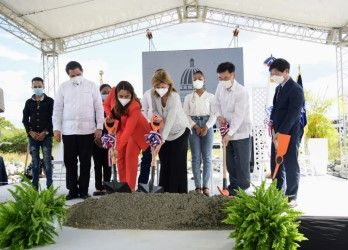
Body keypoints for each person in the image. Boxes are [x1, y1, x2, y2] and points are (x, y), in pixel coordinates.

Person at [53, 61, 104, 200]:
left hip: (87, 131)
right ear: (68, 75)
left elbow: (99, 107)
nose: (76, 77)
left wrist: (99, 126)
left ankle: (83, 191)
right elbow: (57, 108)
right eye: (72, 75)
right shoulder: (63, 87)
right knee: (69, 162)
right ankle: (72, 190)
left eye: (78, 74)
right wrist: (56, 128)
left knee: (86, 162)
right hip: (68, 131)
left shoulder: (92, 85)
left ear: (82, 71)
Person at [213, 62, 252, 197]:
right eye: (220, 78)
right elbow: (215, 104)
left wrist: (229, 133)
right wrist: (219, 116)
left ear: (233, 75)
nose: (222, 81)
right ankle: (232, 188)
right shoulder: (220, 87)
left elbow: (238, 116)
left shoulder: (242, 91)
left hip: (240, 132)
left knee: (241, 163)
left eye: (225, 78)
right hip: (225, 131)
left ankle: (243, 190)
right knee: (229, 162)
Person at [269, 58, 304, 207]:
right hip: (276, 132)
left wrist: (281, 132)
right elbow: (275, 109)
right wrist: (272, 126)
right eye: (272, 73)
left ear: (286, 72)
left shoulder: (296, 89)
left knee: (290, 163)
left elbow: (293, 114)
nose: (273, 76)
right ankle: (277, 192)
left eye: (276, 73)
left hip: (289, 132)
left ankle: (291, 196)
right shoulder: (279, 88)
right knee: (276, 163)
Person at [104, 81, 151, 191]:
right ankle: (123, 187)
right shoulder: (114, 92)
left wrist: (116, 148)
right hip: (122, 129)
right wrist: (111, 115)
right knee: (120, 158)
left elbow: (129, 131)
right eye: (121, 96)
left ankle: (130, 190)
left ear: (132, 95)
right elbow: (106, 105)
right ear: (116, 94)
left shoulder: (134, 107)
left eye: (127, 96)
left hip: (137, 133)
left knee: (130, 158)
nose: (124, 98)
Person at [152, 69, 190, 193]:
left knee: (177, 164)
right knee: (165, 163)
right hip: (165, 133)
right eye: (157, 86)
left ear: (169, 85)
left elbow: (171, 120)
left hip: (180, 131)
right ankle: (164, 192)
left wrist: (160, 141)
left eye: (163, 86)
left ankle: (179, 194)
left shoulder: (175, 97)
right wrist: (157, 116)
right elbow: (155, 111)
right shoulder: (154, 95)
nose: (160, 89)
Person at [183, 70, 216, 196]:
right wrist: (195, 126)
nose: (197, 81)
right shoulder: (188, 97)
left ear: (204, 80)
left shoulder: (211, 96)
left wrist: (206, 126)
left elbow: (214, 114)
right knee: (196, 157)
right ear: (192, 81)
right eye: (195, 79)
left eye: (200, 78)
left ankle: (206, 186)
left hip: (207, 124)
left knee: (207, 157)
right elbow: (185, 114)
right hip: (193, 126)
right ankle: (198, 187)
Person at [22, 77, 54, 190]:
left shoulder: (50, 101)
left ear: (43, 86)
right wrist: (30, 132)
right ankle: (34, 189)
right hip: (33, 137)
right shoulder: (28, 102)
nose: (37, 88)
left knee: (47, 162)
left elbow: (53, 118)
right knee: (35, 163)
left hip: (46, 136)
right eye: (35, 86)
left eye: (39, 86)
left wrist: (45, 132)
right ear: (31, 87)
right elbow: (25, 120)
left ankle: (50, 188)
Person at [92, 84, 112, 196]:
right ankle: (98, 187)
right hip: (96, 140)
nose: (106, 95)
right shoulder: (95, 107)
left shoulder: (113, 108)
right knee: (97, 165)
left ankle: (107, 186)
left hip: (109, 141)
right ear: (99, 93)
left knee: (107, 164)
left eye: (109, 92)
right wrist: (96, 138)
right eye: (104, 92)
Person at [137, 88, 153, 186]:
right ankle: (142, 185)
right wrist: (150, 124)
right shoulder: (148, 93)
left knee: (165, 159)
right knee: (147, 158)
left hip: (165, 130)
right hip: (149, 130)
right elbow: (143, 111)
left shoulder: (170, 93)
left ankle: (164, 184)